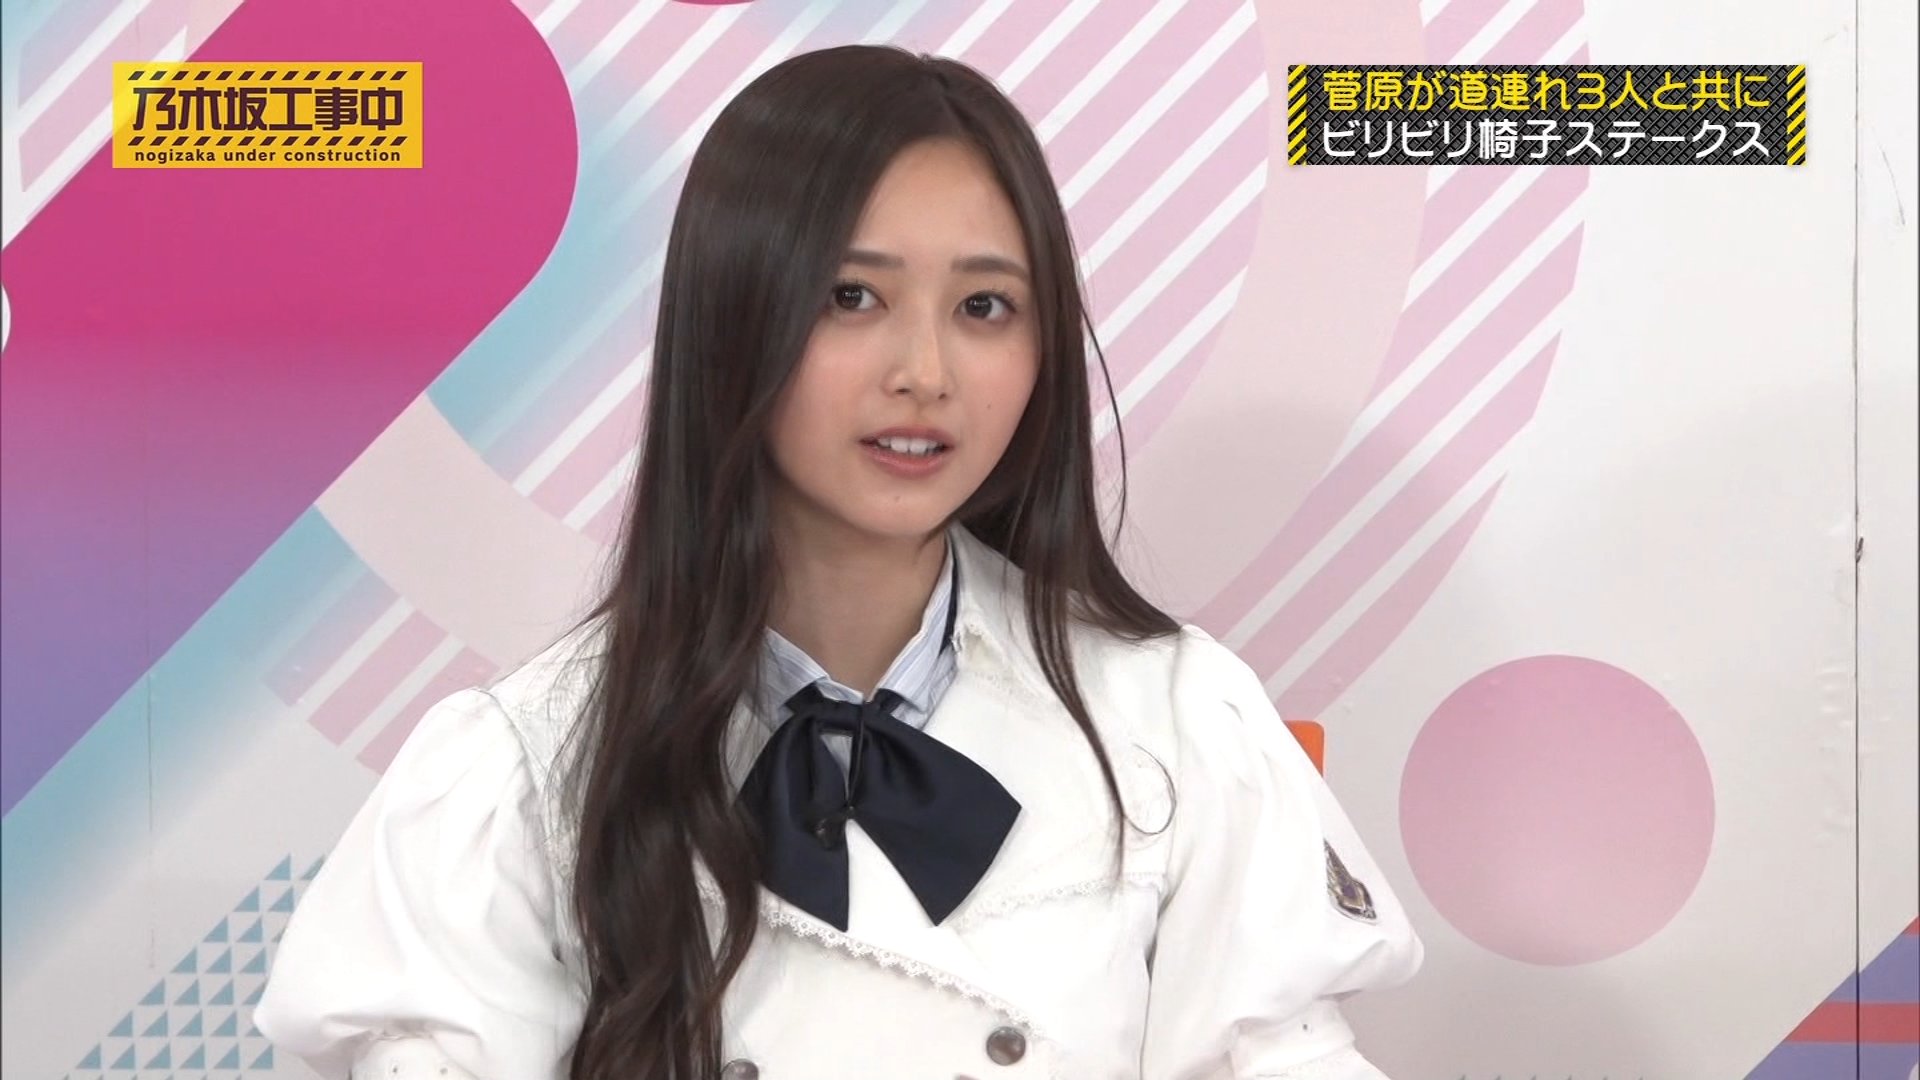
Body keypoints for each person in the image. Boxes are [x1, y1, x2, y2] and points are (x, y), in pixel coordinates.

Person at [253, 44, 1423, 1080]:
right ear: (735, 314)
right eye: (851, 296)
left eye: (985, 307)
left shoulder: (1177, 720)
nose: (926, 372)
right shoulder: (524, 769)